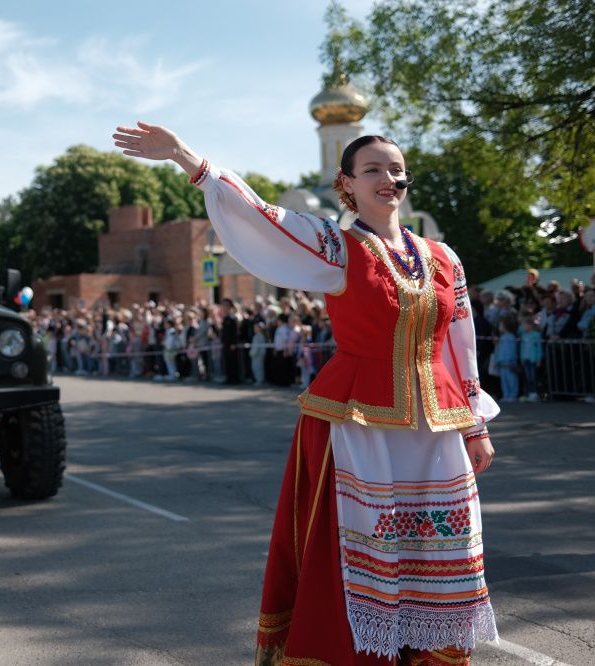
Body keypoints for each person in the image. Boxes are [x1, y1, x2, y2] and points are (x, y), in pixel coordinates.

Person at [114, 123, 498, 665]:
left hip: (436, 427)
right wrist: (187, 158)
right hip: (360, 425)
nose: (388, 179)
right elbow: (262, 216)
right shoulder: (336, 247)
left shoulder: (443, 257)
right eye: (372, 170)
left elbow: (461, 342)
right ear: (347, 183)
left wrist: (476, 426)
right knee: (364, 548)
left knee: (441, 548)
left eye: (395, 169)